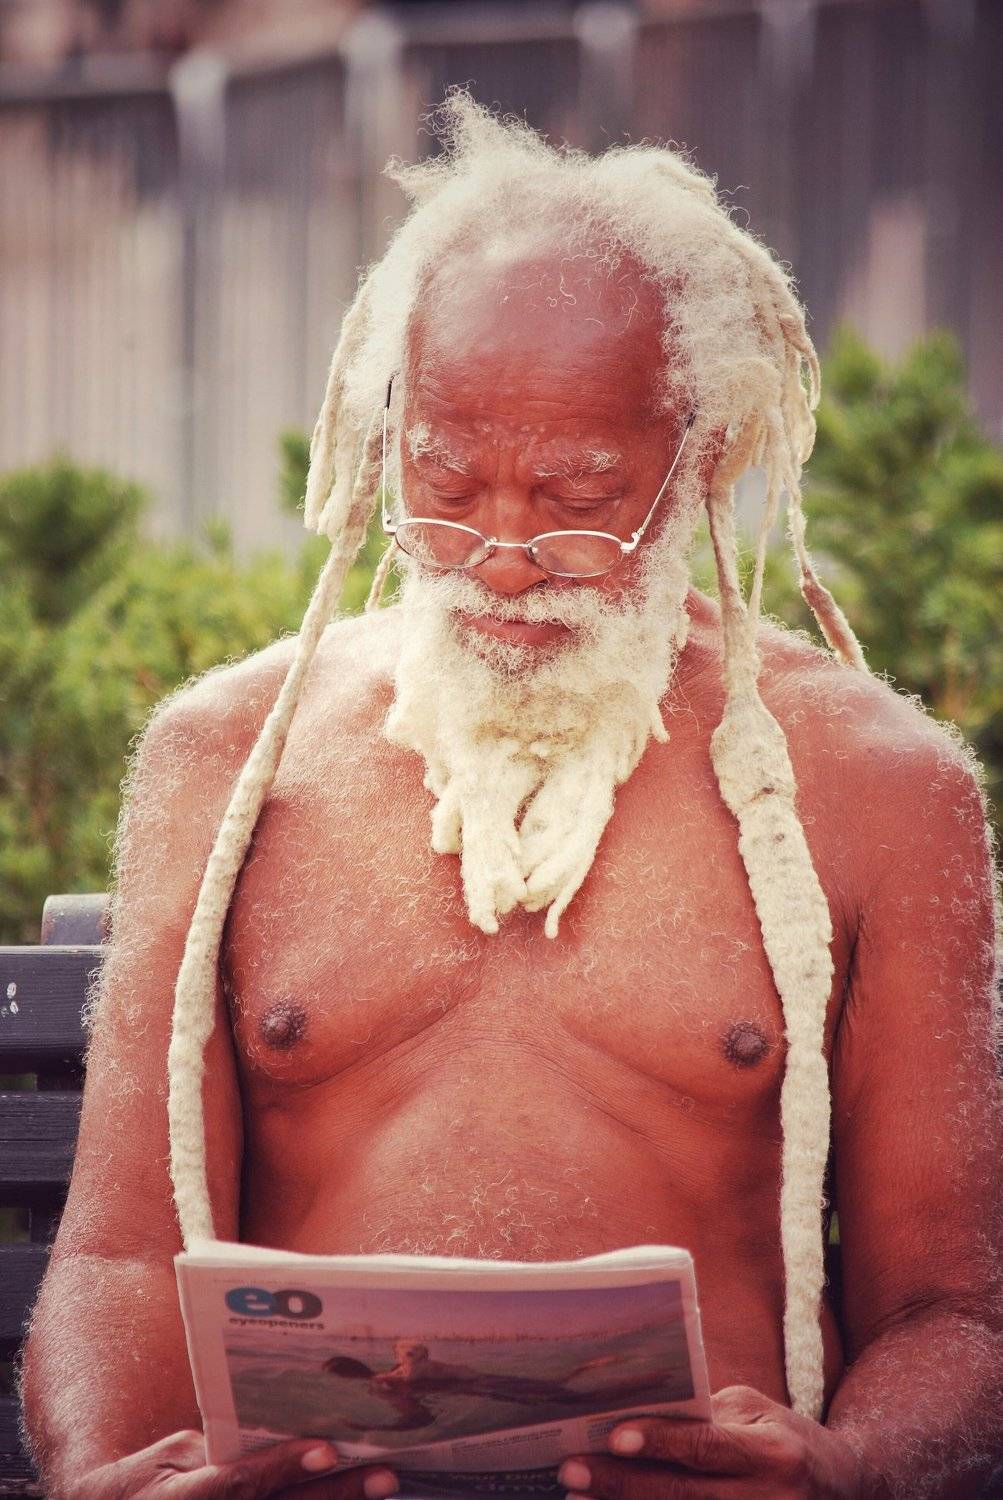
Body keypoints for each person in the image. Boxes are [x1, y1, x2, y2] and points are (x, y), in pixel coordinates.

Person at [21, 94, 1001, 1500]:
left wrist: (848, 1468)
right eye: (445, 478)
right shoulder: (226, 757)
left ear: (702, 453)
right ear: (386, 434)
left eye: (579, 492)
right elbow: (120, 1259)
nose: (502, 552)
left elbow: (955, 1314)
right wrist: (106, 1477)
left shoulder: (879, 789)